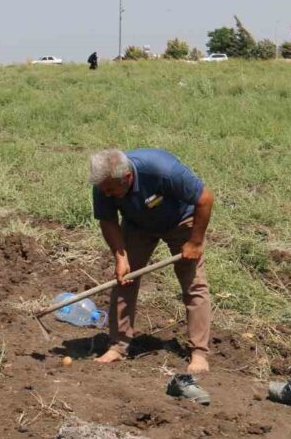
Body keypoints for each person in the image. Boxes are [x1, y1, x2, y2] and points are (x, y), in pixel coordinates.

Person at [89, 149, 214, 374]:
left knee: (193, 284)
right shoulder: (103, 185)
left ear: (127, 178)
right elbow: (107, 220)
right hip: (137, 224)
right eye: (102, 190)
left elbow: (205, 199)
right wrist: (120, 256)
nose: (105, 194)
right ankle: (118, 346)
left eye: (110, 190)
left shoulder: (162, 171)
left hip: (180, 220)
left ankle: (199, 353)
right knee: (124, 279)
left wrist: (195, 242)